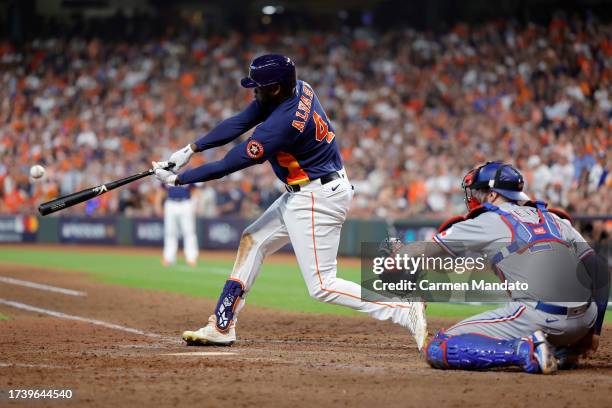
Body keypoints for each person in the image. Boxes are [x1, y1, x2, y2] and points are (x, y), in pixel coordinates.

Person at [152, 54, 427, 348]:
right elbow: (240, 121)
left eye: (258, 86)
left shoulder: (282, 124)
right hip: (310, 190)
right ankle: (223, 326)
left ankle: (403, 308)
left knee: (322, 285)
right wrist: (192, 148)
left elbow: (230, 163)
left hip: (316, 197)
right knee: (253, 239)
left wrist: (178, 179)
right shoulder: (300, 88)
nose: (253, 91)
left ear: (275, 88)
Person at [396, 162, 608, 374]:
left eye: (478, 192)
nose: (475, 197)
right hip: (584, 323)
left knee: (440, 346)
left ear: (493, 195)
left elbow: (420, 251)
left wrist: (396, 259)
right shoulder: (554, 218)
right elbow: (599, 270)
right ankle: (562, 351)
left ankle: (524, 351)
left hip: (541, 318)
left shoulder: (488, 220)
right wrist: (594, 333)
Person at [155, 184, 199, 266]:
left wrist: (194, 205)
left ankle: (191, 258)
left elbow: (195, 190)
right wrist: (158, 205)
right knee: (170, 232)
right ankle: (169, 258)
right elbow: (161, 190)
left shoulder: (187, 172)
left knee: (189, 232)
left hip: (186, 203)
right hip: (171, 203)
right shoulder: (168, 173)